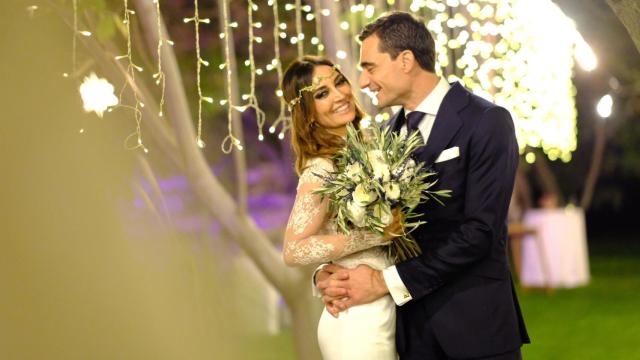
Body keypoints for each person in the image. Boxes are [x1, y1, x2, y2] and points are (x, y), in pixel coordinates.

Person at [316, 12, 530, 359]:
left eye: (370, 67)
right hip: (411, 334)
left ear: (405, 60)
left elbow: (481, 232)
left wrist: (384, 282)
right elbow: (378, 232)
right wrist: (332, 277)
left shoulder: (486, 121)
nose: (363, 81)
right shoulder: (382, 138)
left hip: (475, 329)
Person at [281, 55, 401, 360]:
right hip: (357, 319)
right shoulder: (321, 169)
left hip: (384, 302)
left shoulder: (371, 148)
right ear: (307, 113)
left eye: (339, 82)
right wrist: (377, 235)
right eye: (322, 94)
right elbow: (294, 250)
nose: (339, 95)